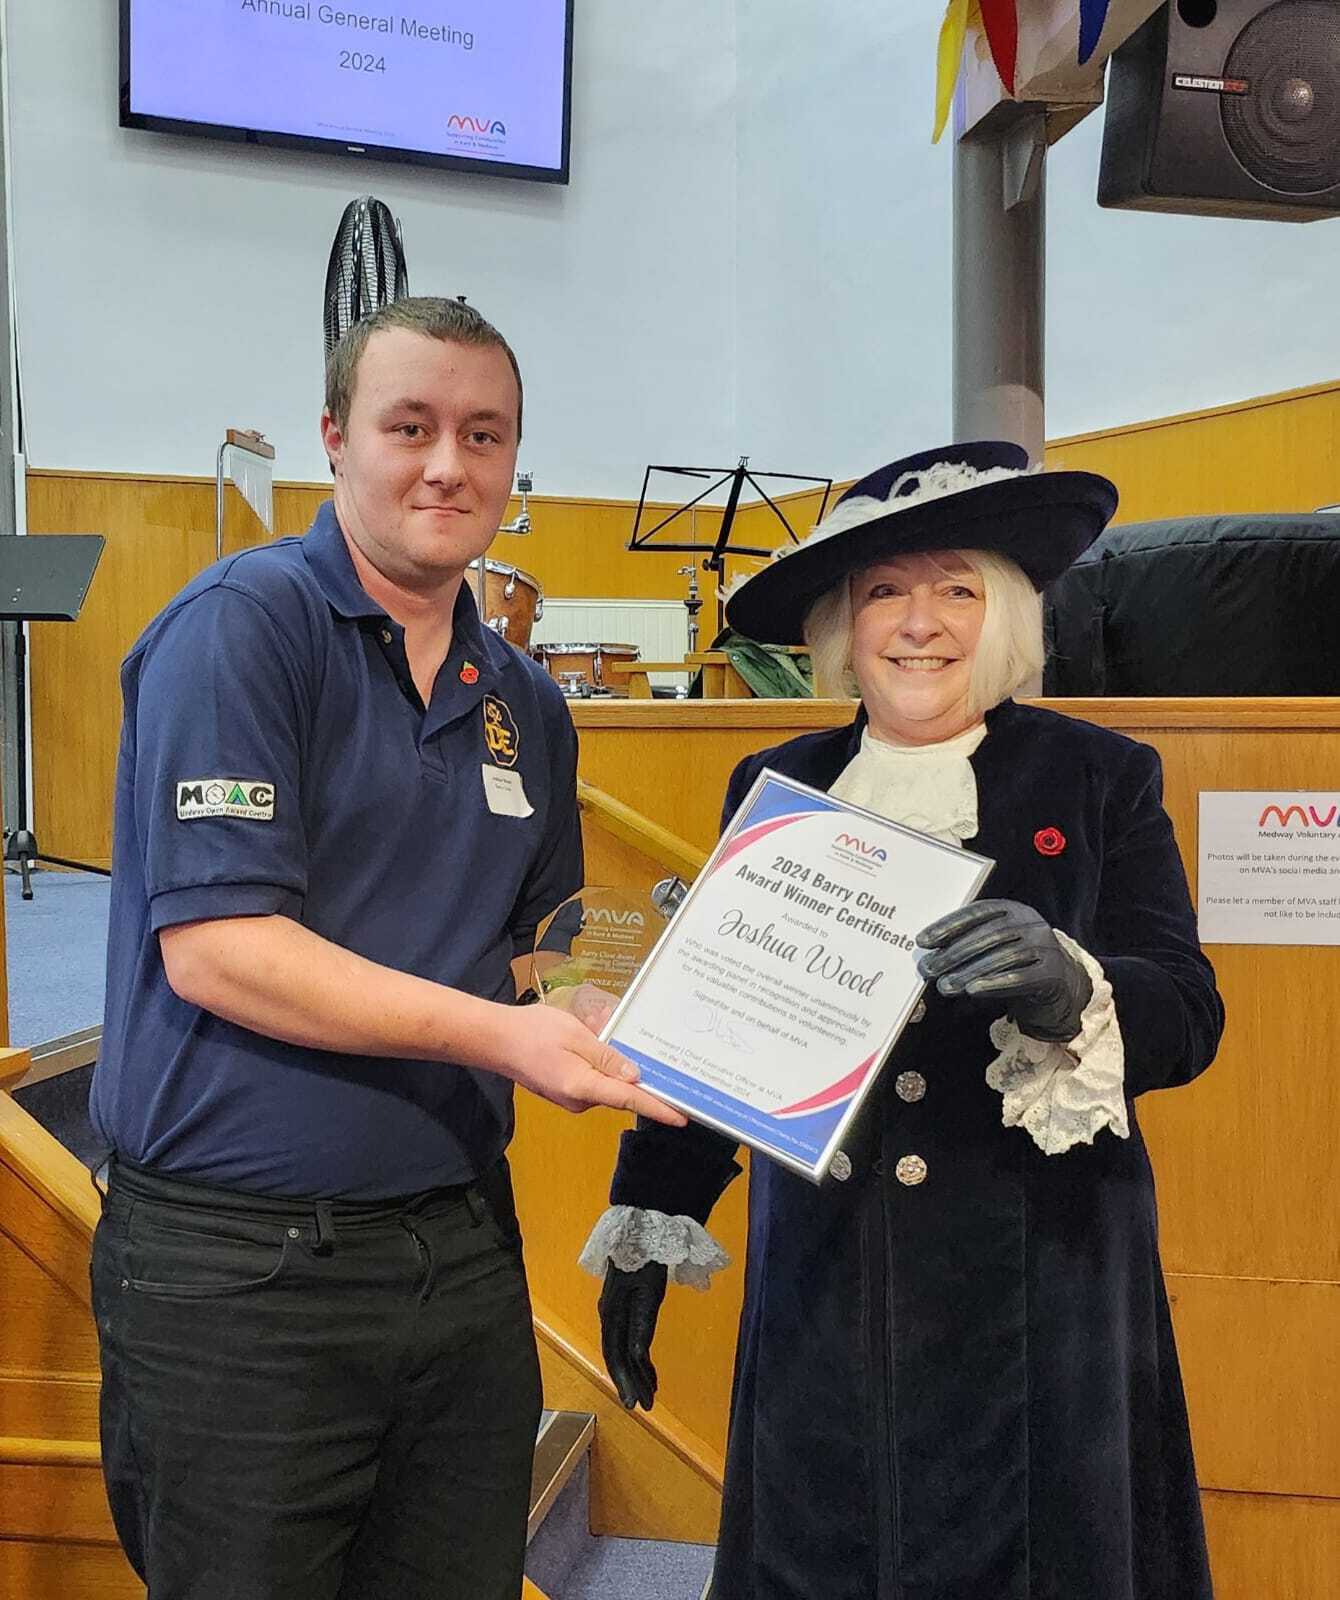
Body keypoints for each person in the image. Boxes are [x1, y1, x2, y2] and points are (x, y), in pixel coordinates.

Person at [87, 295, 682, 1600]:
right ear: (335, 439)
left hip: (460, 1255)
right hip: (242, 1274)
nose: (447, 465)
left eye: (484, 434)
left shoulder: (523, 699)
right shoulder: (241, 629)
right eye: (409, 426)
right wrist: (507, 1033)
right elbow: (223, 949)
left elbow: (545, 946)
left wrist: (671, 992)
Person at [586, 441, 1225, 1600]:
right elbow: (723, 1019)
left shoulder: (1101, 778)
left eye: (955, 587)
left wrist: (1074, 983)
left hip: (1042, 1286)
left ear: (1009, 615)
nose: (918, 621)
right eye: (884, 589)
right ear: (842, 623)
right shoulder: (777, 782)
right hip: (828, 1279)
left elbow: (1187, 1012)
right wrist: (653, 1207)